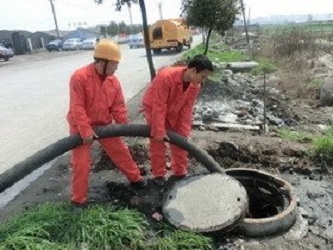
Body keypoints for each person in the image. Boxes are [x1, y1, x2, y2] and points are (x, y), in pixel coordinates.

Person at [67, 39, 147, 207]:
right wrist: (85, 130)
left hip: (104, 125)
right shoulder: (80, 77)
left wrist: (124, 124)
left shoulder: (113, 81)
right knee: (81, 163)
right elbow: (77, 107)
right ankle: (78, 201)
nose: (116, 67)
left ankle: (136, 178)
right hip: (80, 127)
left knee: (121, 152)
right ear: (101, 62)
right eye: (114, 64)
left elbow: (118, 106)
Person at [141, 54, 214, 187]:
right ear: (193, 70)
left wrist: (184, 132)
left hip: (175, 111)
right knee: (158, 142)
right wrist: (159, 129)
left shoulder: (195, 85)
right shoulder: (166, 77)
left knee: (181, 142)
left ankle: (180, 173)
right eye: (202, 76)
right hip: (154, 110)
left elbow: (187, 109)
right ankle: (158, 175)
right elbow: (159, 104)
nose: (203, 80)